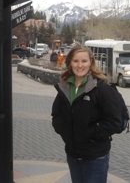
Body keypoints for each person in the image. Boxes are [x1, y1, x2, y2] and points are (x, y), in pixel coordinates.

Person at [51, 45, 124, 183]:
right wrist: (66, 133)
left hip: (95, 157)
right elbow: (56, 115)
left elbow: (115, 121)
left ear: (91, 62)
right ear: (69, 63)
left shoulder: (101, 88)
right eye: (75, 61)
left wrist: (90, 134)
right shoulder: (65, 87)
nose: (80, 65)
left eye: (84, 61)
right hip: (73, 155)